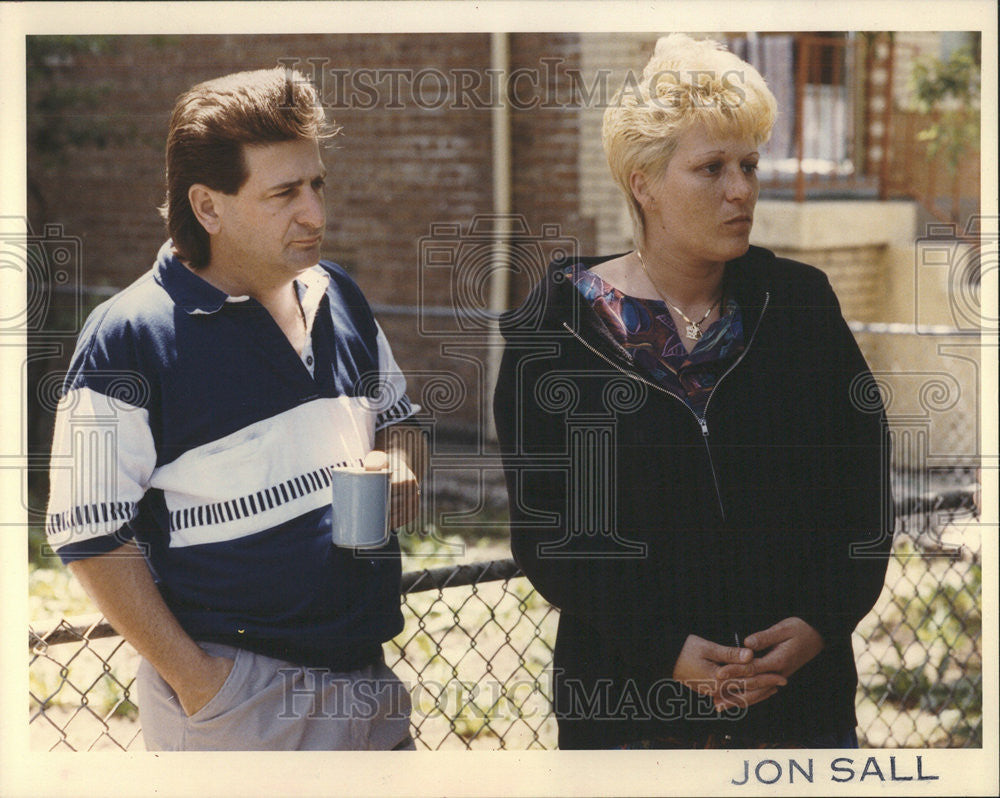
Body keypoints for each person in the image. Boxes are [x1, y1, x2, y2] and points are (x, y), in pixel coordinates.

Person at [493, 34, 893, 749]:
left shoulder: (799, 305)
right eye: (711, 168)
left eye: (749, 165)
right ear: (643, 182)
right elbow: (552, 532)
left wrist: (820, 623)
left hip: (797, 705)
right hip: (632, 710)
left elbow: (861, 489)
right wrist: (664, 648)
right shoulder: (557, 329)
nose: (740, 190)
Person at [44, 67, 424, 751]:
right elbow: (90, 534)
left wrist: (395, 460)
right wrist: (202, 684)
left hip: (371, 688)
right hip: (243, 709)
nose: (316, 214)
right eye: (284, 193)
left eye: (316, 186)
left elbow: (399, 418)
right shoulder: (125, 338)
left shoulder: (340, 293)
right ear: (208, 207)